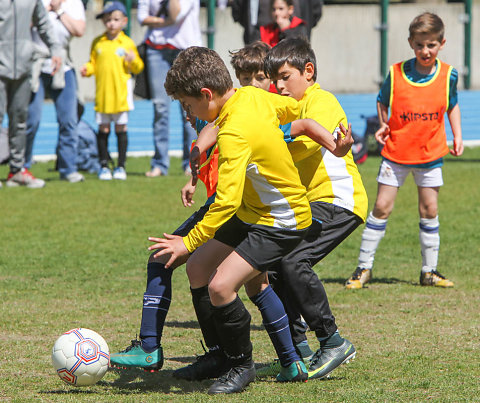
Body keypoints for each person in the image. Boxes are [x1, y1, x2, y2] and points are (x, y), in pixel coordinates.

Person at [151, 46, 315, 394]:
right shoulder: (251, 96)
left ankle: (241, 365)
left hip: (282, 218)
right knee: (197, 270)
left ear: (207, 95)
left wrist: (187, 241)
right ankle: (220, 355)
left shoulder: (234, 133)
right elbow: (291, 106)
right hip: (255, 212)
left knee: (220, 286)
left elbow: (225, 203)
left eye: (189, 105)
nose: (190, 113)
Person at [345, 12, 464, 290]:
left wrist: (457, 135)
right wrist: (384, 124)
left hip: (430, 154)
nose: (425, 50)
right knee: (382, 207)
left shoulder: (449, 75)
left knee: (429, 209)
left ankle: (429, 270)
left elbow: (453, 104)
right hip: (396, 153)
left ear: (441, 43)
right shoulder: (396, 73)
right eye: (420, 44)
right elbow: (382, 100)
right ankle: (363, 267)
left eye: (431, 45)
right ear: (411, 42)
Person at [0, 0, 61, 188]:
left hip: (24, 67)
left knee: (19, 119)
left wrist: (56, 49)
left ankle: (16, 171)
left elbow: (43, 23)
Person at [80, 1, 144, 180]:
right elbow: (93, 64)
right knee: (104, 129)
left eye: (115, 19)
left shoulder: (127, 43)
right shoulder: (98, 42)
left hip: (121, 95)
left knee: (121, 129)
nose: (111, 23)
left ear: (124, 21)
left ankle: (121, 166)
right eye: (108, 20)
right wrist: (87, 69)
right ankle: (103, 165)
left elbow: (138, 67)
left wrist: (132, 60)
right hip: (103, 95)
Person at [138, 0, 202, 177]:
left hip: (185, 50)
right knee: (160, 108)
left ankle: (191, 163)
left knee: (189, 109)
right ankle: (159, 163)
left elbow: (176, 15)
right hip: (156, 50)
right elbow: (141, 17)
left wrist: (159, 21)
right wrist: (163, 23)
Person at [26, 0, 86, 183]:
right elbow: (22, 25)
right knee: (30, 121)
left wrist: (59, 10)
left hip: (63, 67)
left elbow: (79, 30)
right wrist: (46, 9)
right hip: (35, 65)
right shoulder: (35, 2)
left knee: (69, 120)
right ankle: (21, 167)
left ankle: (68, 169)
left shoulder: (74, 3)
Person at [231, 0, 322, 44]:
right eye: (274, 9)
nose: (277, 13)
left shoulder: (299, 28)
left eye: (280, 9)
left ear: (290, 9)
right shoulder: (263, 31)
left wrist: (286, 30)